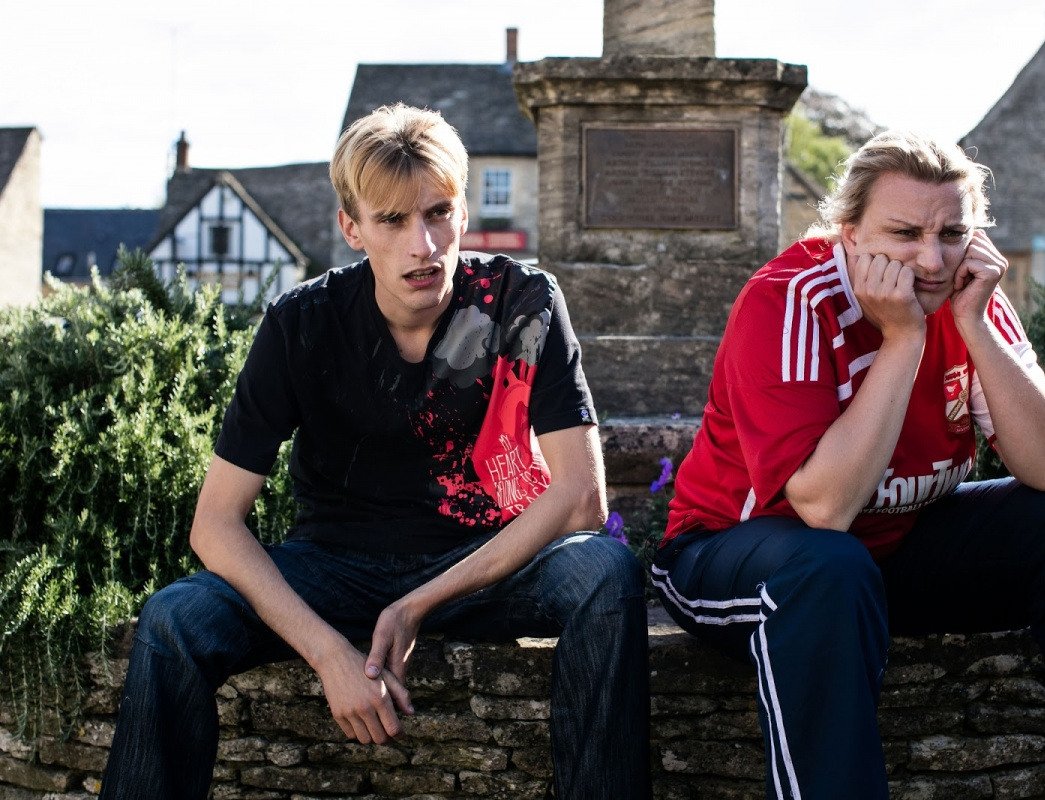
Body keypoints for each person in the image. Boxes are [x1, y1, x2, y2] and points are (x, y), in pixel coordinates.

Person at [100, 103, 650, 800]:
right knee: (174, 620)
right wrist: (328, 651)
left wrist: (417, 603)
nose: (423, 244)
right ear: (352, 228)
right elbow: (214, 525)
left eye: (438, 213)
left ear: (462, 211)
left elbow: (579, 499)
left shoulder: (521, 302)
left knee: (604, 571)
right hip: (333, 568)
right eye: (392, 220)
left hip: (483, 565)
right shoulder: (302, 322)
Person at [652, 131, 1045, 800]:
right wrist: (904, 337)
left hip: (890, 551)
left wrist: (974, 327)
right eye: (903, 234)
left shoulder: (968, 291)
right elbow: (824, 508)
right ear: (849, 232)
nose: (930, 259)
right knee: (828, 569)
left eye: (952, 233)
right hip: (732, 552)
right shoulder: (788, 300)